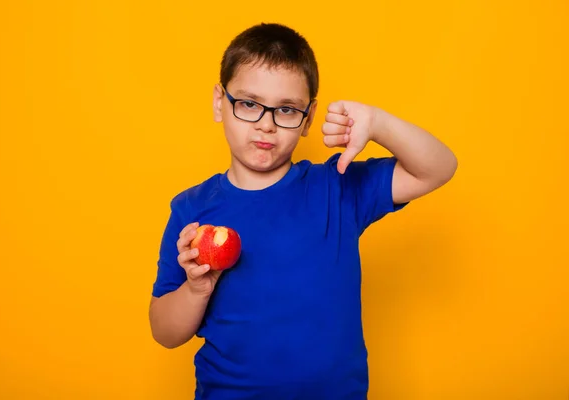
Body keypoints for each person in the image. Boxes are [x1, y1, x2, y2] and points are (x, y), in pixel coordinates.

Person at [149, 22, 457, 400]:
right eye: (248, 103)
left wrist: (377, 123)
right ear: (219, 102)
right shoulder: (191, 210)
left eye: (286, 110)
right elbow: (164, 333)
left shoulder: (337, 187)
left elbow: (438, 168)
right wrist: (197, 288)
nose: (266, 124)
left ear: (308, 118)